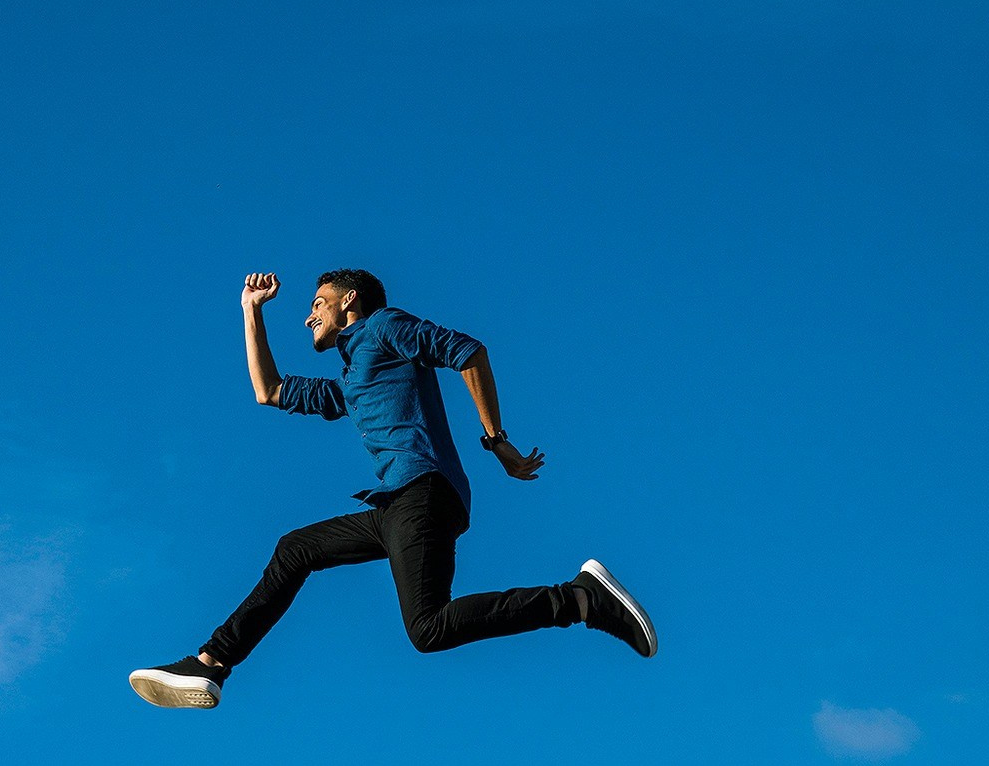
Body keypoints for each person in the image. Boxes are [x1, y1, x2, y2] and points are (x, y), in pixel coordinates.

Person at [129, 268, 656, 709]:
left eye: (319, 302)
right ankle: (210, 665)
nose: (310, 314)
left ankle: (581, 600)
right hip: (395, 504)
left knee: (428, 629)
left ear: (349, 301)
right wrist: (251, 310)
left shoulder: (383, 328)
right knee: (296, 549)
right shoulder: (351, 377)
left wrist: (497, 442)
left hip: (422, 493)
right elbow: (268, 390)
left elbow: (468, 352)